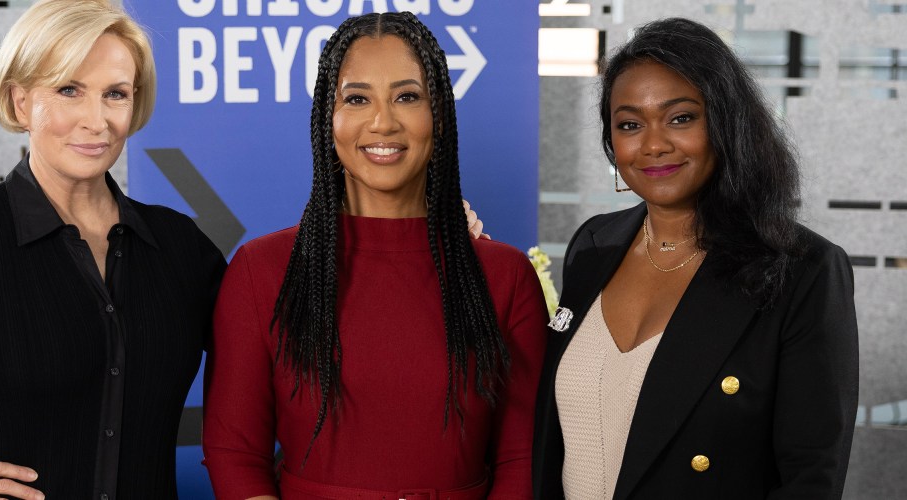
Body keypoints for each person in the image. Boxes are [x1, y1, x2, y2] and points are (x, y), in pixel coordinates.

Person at [203, 11, 547, 499]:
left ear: (440, 116)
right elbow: (235, 453)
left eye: (407, 97)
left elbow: (520, 459)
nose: (383, 121)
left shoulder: (504, 276)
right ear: (330, 118)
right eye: (357, 99)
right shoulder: (261, 271)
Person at [0, 0, 225, 498]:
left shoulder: (181, 248)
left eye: (115, 94)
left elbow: (280, 380)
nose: (96, 121)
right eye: (68, 90)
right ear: (20, 103)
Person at [531, 17, 859, 499]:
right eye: (629, 124)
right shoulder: (594, 245)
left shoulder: (803, 270)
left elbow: (810, 478)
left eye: (681, 117)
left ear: (725, 123)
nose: (654, 144)